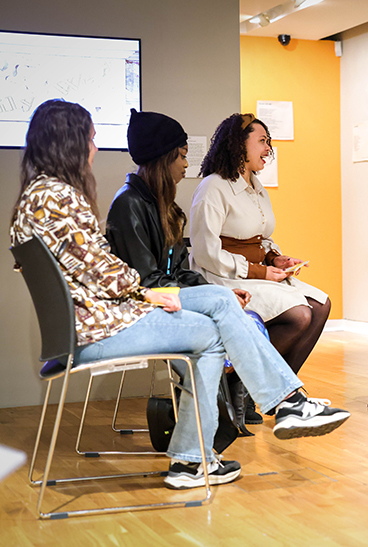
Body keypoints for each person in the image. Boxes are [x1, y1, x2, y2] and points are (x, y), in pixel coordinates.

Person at [11, 99, 350, 490]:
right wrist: (150, 295)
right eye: (90, 138)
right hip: (99, 328)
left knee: (215, 318)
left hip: (92, 322)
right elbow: (108, 275)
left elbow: (97, 270)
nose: (95, 148)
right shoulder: (58, 198)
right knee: (214, 323)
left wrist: (147, 291)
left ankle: (212, 449)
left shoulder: (36, 197)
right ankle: (255, 421)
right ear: (66, 143)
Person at [105, 109, 263, 431]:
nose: (187, 165)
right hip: (146, 311)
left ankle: (228, 416)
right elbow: (149, 283)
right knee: (223, 325)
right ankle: (227, 420)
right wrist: (209, 298)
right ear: (164, 158)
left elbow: (181, 272)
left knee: (250, 318)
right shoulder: (128, 206)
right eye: (182, 156)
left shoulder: (165, 207)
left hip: (170, 302)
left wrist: (215, 293)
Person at [189, 114, 330, 376]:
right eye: (262, 141)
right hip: (221, 278)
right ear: (239, 145)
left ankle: (284, 389)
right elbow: (205, 253)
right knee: (299, 315)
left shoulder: (256, 186)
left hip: (255, 273)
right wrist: (259, 271)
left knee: (321, 306)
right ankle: (244, 385)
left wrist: (275, 259)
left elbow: (262, 237)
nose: (268, 149)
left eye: (269, 142)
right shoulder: (213, 188)